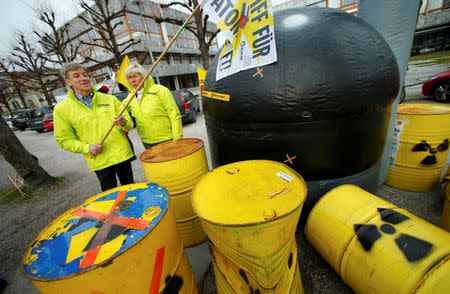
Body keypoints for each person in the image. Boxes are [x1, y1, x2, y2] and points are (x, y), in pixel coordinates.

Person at [53, 63, 135, 192]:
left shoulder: (110, 99)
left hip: (122, 155)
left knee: (132, 190)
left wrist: (124, 122)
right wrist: (87, 148)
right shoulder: (61, 109)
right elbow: (63, 140)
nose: (83, 78)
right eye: (77, 76)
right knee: (109, 197)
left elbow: (130, 125)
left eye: (85, 74)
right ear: (68, 82)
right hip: (99, 161)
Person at [123, 63, 182, 149]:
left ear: (143, 76)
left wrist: (177, 140)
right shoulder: (130, 97)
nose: (132, 80)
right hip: (147, 142)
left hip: (167, 140)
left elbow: (174, 115)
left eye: (135, 76)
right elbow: (120, 111)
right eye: (129, 78)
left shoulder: (160, 90)